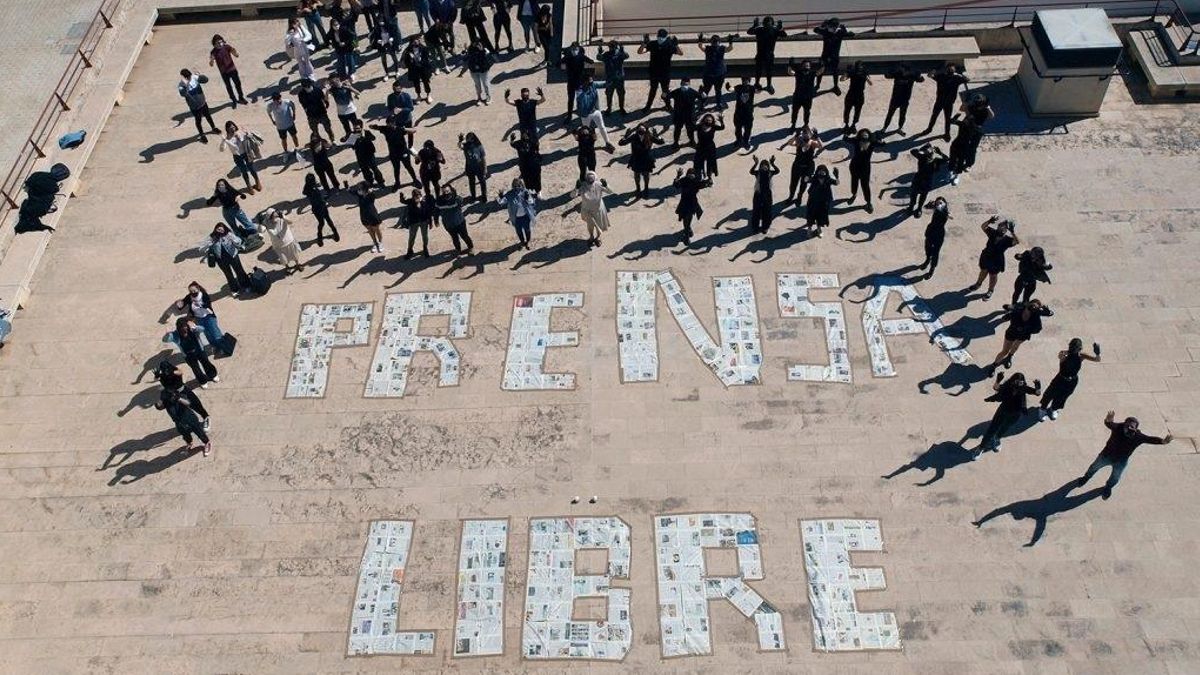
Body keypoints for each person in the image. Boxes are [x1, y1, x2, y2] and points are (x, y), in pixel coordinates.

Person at [1075, 412, 1173, 499]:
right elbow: (1109, 424)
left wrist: (1162, 441)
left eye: (1132, 429)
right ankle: (1086, 478)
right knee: (1094, 467)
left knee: (1115, 477)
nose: (1129, 432)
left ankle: (1108, 487)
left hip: (1121, 461)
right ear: (1124, 425)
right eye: (1127, 428)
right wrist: (1108, 420)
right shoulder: (1118, 428)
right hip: (1106, 456)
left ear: (1136, 429)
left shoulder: (1138, 436)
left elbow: (1150, 439)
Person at [976, 372, 1041, 455]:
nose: (1018, 384)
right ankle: (981, 448)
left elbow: (1037, 393)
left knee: (1006, 427)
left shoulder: (1023, 388)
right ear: (1012, 381)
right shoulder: (1007, 387)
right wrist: (998, 380)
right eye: (1017, 381)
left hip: (1016, 413)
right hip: (1003, 411)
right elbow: (996, 388)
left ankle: (997, 438)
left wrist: (1038, 386)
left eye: (1021, 382)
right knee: (992, 429)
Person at [1038, 339, 1101, 421]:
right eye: (1073, 347)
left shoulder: (1081, 356)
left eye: (1077, 348)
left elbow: (1097, 360)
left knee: (1063, 396)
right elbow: (1060, 356)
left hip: (1072, 381)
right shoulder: (1064, 354)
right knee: (1050, 393)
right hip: (1060, 378)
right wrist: (1065, 353)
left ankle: (1054, 408)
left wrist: (1097, 353)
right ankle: (1042, 409)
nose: (1075, 350)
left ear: (1080, 348)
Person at [989, 300, 1053, 372]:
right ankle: (994, 365)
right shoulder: (1018, 311)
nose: (1031, 309)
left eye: (1034, 308)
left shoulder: (1035, 316)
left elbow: (1038, 329)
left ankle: (1010, 356)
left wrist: (1028, 329)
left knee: (1016, 346)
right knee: (1005, 351)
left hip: (1023, 335)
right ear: (1028, 304)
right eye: (1031, 306)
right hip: (1012, 332)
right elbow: (1008, 314)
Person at [175, 282, 232, 356]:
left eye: (194, 291)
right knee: (208, 335)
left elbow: (207, 304)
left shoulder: (204, 295)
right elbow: (182, 304)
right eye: (191, 291)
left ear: (198, 289)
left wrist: (200, 304)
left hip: (208, 316)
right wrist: (179, 305)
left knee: (216, 334)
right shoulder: (189, 297)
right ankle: (217, 347)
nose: (192, 293)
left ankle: (226, 348)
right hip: (199, 318)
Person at [164, 316, 221, 390]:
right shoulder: (175, 335)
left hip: (199, 350)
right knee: (196, 369)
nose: (184, 329)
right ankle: (202, 381)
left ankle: (213, 375)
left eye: (185, 327)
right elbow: (165, 340)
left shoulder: (192, 329)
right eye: (182, 328)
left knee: (206, 363)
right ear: (178, 328)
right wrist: (167, 335)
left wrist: (194, 326)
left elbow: (202, 329)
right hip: (188, 355)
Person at [970, 215, 1019, 299]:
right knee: (983, 271)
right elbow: (983, 227)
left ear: (1006, 229)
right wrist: (989, 221)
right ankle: (978, 284)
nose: (1000, 227)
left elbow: (1016, 242)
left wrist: (1013, 232)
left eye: (1002, 226)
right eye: (999, 225)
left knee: (993, 275)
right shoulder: (993, 233)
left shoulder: (1007, 239)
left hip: (997, 259)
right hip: (986, 255)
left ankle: (990, 290)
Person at [155, 361, 211, 430]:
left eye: (166, 368)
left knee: (196, 405)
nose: (165, 370)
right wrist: (157, 376)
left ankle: (206, 418)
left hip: (183, 392)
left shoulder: (174, 371)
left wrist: (171, 372)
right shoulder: (162, 375)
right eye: (163, 369)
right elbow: (157, 379)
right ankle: (187, 424)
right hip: (173, 395)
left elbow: (180, 372)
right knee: (179, 412)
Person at [157, 387, 212, 456]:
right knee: (184, 433)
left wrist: (178, 398)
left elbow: (188, 403)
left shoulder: (178, 391)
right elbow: (160, 407)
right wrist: (159, 403)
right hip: (177, 420)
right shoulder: (164, 394)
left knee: (198, 431)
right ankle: (189, 443)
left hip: (189, 417)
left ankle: (206, 443)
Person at [566, 170, 613, 246]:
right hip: (587, 211)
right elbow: (572, 196)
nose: (590, 181)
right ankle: (591, 236)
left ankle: (597, 238)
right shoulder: (582, 186)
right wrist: (576, 188)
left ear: (595, 178)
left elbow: (610, 192)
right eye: (589, 179)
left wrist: (606, 185)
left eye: (592, 179)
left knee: (599, 225)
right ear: (586, 179)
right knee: (590, 225)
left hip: (599, 210)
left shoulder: (599, 185)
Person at [638, 29, 682, 111]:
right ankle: (648, 106)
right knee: (653, 90)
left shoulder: (670, 45)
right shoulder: (652, 44)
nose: (660, 38)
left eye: (662, 37)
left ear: (666, 37)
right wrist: (644, 44)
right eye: (659, 36)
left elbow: (680, 53)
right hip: (654, 72)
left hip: (665, 73)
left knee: (665, 90)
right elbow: (640, 52)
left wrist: (676, 45)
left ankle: (668, 105)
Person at [369, 115, 418, 188]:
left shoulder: (399, 129)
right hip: (393, 153)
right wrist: (374, 126)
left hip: (403, 152)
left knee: (408, 166)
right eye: (388, 123)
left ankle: (415, 180)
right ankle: (397, 183)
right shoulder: (385, 129)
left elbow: (414, 130)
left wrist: (403, 129)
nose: (389, 125)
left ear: (394, 123)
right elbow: (372, 127)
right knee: (396, 169)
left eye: (391, 123)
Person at [923, 63, 969, 140]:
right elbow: (967, 80)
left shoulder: (943, 76)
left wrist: (935, 70)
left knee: (939, 117)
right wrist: (961, 74)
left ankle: (939, 131)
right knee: (940, 117)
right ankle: (939, 131)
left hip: (944, 102)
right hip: (944, 102)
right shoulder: (955, 78)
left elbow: (929, 75)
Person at [204, 224, 252, 296]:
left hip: (233, 256)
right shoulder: (212, 237)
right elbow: (205, 246)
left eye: (221, 229)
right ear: (215, 229)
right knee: (228, 275)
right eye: (218, 229)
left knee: (240, 271)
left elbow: (238, 241)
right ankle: (234, 289)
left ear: (224, 229)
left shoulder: (229, 234)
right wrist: (209, 246)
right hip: (220, 259)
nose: (220, 231)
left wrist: (233, 239)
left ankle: (246, 286)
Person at [619, 123, 664, 198]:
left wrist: (657, 136)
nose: (641, 131)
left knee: (646, 176)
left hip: (646, 159)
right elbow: (621, 143)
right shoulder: (634, 136)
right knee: (637, 175)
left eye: (643, 130)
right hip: (636, 159)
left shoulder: (649, 136)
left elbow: (661, 142)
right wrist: (625, 136)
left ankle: (646, 189)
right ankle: (638, 189)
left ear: (646, 130)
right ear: (637, 130)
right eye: (639, 130)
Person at [779, 124, 822, 205]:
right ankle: (791, 197)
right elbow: (790, 143)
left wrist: (817, 137)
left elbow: (820, 147)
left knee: (804, 183)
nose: (805, 134)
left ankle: (799, 196)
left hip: (808, 167)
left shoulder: (812, 142)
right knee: (793, 183)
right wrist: (795, 136)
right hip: (797, 165)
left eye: (807, 132)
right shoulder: (799, 140)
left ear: (810, 134)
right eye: (804, 132)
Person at [846, 128, 883, 213]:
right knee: (854, 182)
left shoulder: (872, 143)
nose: (864, 142)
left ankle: (868, 202)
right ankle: (854, 194)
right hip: (854, 166)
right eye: (862, 139)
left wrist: (881, 140)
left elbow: (882, 144)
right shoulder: (856, 141)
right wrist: (846, 135)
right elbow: (846, 139)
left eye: (865, 139)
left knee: (865, 186)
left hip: (865, 169)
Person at [219, 121, 263, 192]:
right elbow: (221, 149)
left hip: (246, 154)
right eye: (230, 128)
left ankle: (258, 183)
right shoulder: (227, 138)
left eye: (233, 127)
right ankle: (249, 187)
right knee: (244, 171)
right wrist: (223, 141)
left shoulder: (239, 132)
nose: (233, 129)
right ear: (227, 129)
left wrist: (244, 135)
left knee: (251, 169)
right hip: (237, 157)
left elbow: (247, 138)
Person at [256, 208, 304, 272]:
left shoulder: (281, 217)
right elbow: (261, 230)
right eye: (274, 213)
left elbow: (290, 222)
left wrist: (284, 218)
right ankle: (287, 267)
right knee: (283, 259)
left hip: (289, 240)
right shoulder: (266, 222)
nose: (276, 213)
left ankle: (297, 264)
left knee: (294, 254)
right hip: (278, 245)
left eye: (275, 212)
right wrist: (260, 224)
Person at [177, 69, 218, 143]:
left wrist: (200, 76)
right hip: (195, 107)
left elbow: (206, 80)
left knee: (208, 115)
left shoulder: (194, 78)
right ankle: (202, 135)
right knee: (198, 120)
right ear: (183, 77)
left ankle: (213, 128)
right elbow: (183, 94)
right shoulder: (181, 85)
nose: (189, 78)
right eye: (187, 77)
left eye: (189, 76)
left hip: (203, 102)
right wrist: (186, 85)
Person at [813, 17, 853, 94]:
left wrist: (843, 29)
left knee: (835, 72)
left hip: (834, 57)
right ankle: (817, 85)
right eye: (832, 27)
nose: (833, 29)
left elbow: (851, 34)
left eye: (835, 27)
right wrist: (823, 26)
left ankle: (835, 86)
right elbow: (815, 30)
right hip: (825, 56)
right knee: (821, 71)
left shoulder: (840, 32)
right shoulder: (825, 31)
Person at [574, 73, 615, 149]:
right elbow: (582, 100)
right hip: (585, 114)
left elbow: (603, 85)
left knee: (602, 127)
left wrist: (611, 80)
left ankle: (607, 142)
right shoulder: (579, 91)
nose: (591, 82)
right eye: (590, 81)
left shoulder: (593, 85)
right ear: (584, 82)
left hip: (595, 111)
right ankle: (584, 144)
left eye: (591, 80)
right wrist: (586, 91)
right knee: (586, 131)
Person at [747, 16, 786, 93]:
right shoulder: (773, 30)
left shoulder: (760, 29)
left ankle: (759, 84)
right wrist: (780, 28)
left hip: (763, 54)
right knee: (765, 71)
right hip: (766, 54)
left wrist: (754, 26)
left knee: (762, 71)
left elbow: (749, 32)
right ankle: (766, 84)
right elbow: (784, 34)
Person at [673, 167, 712, 243]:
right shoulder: (696, 181)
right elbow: (706, 184)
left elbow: (676, 184)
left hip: (685, 202)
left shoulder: (684, 180)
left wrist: (678, 176)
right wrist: (709, 179)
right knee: (688, 218)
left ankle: (687, 234)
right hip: (692, 203)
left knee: (685, 219)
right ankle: (687, 233)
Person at [882, 64, 924, 134]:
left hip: (905, 100)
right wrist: (892, 70)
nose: (903, 72)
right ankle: (884, 127)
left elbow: (921, 79)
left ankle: (900, 128)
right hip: (895, 99)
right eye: (901, 70)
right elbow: (886, 75)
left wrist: (918, 75)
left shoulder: (912, 76)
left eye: (904, 70)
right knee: (890, 114)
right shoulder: (897, 74)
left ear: (908, 70)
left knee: (902, 115)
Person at [498, 178, 538, 249]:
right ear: (513, 186)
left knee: (527, 229)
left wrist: (528, 198)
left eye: (518, 185)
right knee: (519, 231)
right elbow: (502, 202)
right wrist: (501, 197)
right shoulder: (510, 194)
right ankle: (522, 242)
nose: (517, 187)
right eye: (515, 185)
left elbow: (532, 202)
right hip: (516, 217)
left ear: (521, 185)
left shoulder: (525, 192)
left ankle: (528, 242)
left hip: (525, 216)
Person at [208, 35, 248, 106]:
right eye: (218, 43)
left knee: (237, 84)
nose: (220, 44)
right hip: (224, 72)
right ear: (214, 44)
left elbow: (236, 55)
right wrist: (211, 60)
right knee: (228, 86)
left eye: (221, 42)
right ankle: (233, 100)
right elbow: (211, 64)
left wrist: (234, 52)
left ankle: (241, 98)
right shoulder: (213, 52)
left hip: (232, 69)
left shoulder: (226, 47)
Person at [907, 143, 947, 215]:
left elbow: (946, 159)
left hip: (926, 181)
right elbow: (912, 151)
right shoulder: (922, 157)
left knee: (922, 196)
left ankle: (919, 209)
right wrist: (922, 152)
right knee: (914, 195)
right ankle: (911, 207)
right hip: (918, 180)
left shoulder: (936, 161)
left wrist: (940, 153)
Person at [698, 33, 734, 110]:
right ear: (719, 42)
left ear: (711, 42)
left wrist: (700, 39)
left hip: (708, 73)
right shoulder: (721, 48)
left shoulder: (708, 48)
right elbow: (730, 48)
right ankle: (718, 103)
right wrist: (730, 41)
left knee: (706, 90)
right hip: (719, 73)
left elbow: (700, 46)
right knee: (718, 90)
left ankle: (703, 102)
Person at [302, 173, 340, 245]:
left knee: (321, 223)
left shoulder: (307, 189)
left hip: (315, 208)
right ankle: (335, 233)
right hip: (321, 206)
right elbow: (320, 198)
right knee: (328, 220)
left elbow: (304, 192)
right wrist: (326, 197)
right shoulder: (314, 189)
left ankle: (319, 237)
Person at [435, 185, 474, 253]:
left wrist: (455, 195)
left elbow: (461, 201)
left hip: (459, 222)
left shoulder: (456, 199)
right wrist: (436, 221)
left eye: (447, 191)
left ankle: (470, 248)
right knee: (455, 238)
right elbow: (436, 211)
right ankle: (458, 250)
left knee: (465, 236)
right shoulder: (439, 201)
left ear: (451, 191)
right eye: (444, 192)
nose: (446, 193)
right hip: (448, 224)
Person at [665, 77, 703, 147]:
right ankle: (690, 142)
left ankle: (679, 143)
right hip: (687, 115)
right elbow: (702, 98)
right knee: (686, 130)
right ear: (689, 84)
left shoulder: (676, 91)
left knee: (681, 130)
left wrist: (669, 106)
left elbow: (666, 97)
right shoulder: (693, 92)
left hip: (681, 115)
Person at [346, 120, 385, 187]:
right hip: (360, 155)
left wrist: (364, 137)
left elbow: (373, 138)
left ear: (361, 128)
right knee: (365, 171)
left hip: (369, 154)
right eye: (354, 128)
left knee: (375, 169)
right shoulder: (352, 134)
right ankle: (370, 182)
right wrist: (351, 139)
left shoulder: (366, 132)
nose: (356, 130)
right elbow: (348, 143)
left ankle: (380, 182)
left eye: (357, 128)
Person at [560, 41, 593, 119]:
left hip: (576, 81)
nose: (574, 50)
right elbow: (591, 61)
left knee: (576, 98)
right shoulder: (577, 56)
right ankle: (572, 114)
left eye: (575, 48)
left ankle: (571, 114)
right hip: (575, 82)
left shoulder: (570, 56)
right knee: (573, 99)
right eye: (573, 48)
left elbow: (558, 63)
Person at [726, 77, 762, 150]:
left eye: (747, 80)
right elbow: (731, 89)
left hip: (748, 114)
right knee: (738, 129)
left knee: (748, 130)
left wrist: (760, 88)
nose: (745, 82)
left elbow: (758, 91)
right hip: (738, 114)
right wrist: (728, 87)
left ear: (749, 81)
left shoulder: (752, 88)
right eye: (744, 80)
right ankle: (739, 141)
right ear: (742, 81)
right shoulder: (739, 87)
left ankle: (746, 142)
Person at [748, 155, 780, 233]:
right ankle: (755, 227)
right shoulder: (757, 173)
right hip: (758, 194)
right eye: (762, 165)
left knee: (767, 211)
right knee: (756, 212)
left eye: (766, 165)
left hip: (767, 195)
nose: (764, 166)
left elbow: (777, 171)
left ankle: (765, 227)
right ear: (760, 166)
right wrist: (755, 163)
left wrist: (772, 163)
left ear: (768, 166)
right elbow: (751, 171)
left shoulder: (770, 173)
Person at [400, 188, 435, 257]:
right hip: (413, 223)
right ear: (413, 196)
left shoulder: (424, 202)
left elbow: (428, 213)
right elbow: (403, 201)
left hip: (424, 222)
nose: (417, 198)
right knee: (412, 237)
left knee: (425, 236)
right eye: (415, 196)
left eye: (418, 196)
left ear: (420, 196)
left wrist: (430, 222)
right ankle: (410, 250)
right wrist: (401, 197)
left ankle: (425, 248)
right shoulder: (410, 201)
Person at [920, 197, 950, 278]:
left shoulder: (945, 211)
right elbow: (925, 208)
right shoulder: (936, 208)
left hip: (939, 234)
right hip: (931, 231)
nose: (938, 204)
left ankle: (932, 269)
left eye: (941, 202)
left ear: (944, 204)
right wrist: (930, 204)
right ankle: (927, 260)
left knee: (935, 253)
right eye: (937, 202)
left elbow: (942, 211)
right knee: (927, 248)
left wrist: (937, 206)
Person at [786, 59, 821, 129]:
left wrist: (823, 65)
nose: (806, 66)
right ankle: (793, 125)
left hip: (808, 97)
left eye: (807, 65)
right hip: (798, 96)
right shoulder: (798, 73)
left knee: (807, 112)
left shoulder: (812, 73)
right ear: (802, 66)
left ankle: (806, 124)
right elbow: (790, 72)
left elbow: (819, 72)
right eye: (805, 65)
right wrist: (790, 65)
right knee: (795, 112)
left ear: (810, 67)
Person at [459, 40, 497, 105]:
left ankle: (488, 97)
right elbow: (465, 59)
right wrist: (465, 50)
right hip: (474, 71)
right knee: (477, 85)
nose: (476, 45)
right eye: (474, 43)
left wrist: (482, 50)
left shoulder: (485, 50)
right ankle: (479, 98)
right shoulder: (470, 50)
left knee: (486, 84)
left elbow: (487, 58)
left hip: (483, 70)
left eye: (478, 43)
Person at [805, 165, 839, 236]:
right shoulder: (814, 179)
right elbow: (806, 180)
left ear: (826, 172)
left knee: (821, 216)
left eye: (823, 172)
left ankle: (819, 228)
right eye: (820, 172)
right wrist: (807, 174)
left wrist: (837, 177)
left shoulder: (828, 180)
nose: (821, 173)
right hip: (813, 201)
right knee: (811, 215)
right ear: (817, 172)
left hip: (823, 202)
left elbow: (837, 183)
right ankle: (809, 229)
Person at [597, 41, 629, 115]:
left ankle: (621, 108)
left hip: (619, 78)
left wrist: (623, 51)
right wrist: (599, 52)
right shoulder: (606, 55)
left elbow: (627, 56)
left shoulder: (619, 54)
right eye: (611, 47)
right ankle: (609, 108)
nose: (612, 49)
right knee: (609, 94)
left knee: (621, 94)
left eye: (613, 47)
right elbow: (598, 58)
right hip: (610, 78)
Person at [369, 9, 402, 80]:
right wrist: (379, 41)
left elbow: (395, 33)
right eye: (379, 20)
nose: (381, 22)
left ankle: (397, 71)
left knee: (394, 57)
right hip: (382, 45)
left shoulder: (389, 25)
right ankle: (386, 73)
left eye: (382, 20)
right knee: (383, 59)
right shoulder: (376, 28)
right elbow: (374, 37)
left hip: (390, 44)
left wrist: (392, 38)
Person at [266, 92, 301, 158]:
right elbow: (268, 113)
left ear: (280, 97)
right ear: (273, 100)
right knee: (283, 139)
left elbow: (293, 106)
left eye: (279, 99)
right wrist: (272, 120)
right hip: (280, 127)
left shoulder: (287, 102)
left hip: (290, 124)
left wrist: (294, 114)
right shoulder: (270, 105)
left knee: (294, 136)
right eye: (276, 100)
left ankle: (297, 148)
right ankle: (285, 152)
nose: (278, 101)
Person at [354, 182, 386, 253]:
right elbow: (352, 192)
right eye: (358, 188)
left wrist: (370, 192)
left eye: (360, 188)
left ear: (365, 189)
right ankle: (375, 242)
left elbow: (373, 196)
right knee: (370, 230)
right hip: (364, 216)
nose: (358, 190)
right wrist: (347, 187)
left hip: (373, 216)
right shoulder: (360, 195)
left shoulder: (370, 196)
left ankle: (380, 243)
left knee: (377, 230)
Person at [402, 35, 435, 102]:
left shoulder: (424, 48)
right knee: (416, 83)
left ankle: (428, 95)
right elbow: (406, 61)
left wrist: (421, 60)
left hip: (423, 68)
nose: (416, 42)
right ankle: (418, 96)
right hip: (414, 69)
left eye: (417, 40)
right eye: (414, 41)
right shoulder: (408, 50)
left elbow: (427, 59)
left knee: (426, 82)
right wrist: (411, 61)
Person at [840, 61, 871, 132]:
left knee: (856, 112)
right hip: (852, 94)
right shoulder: (853, 72)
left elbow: (870, 83)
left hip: (858, 95)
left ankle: (853, 125)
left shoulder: (863, 73)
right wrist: (846, 73)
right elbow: (842, 79)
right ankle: (847, 125)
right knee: (848, 111)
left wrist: (866, 77)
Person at [693, 113, 725, 180]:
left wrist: (721, 121)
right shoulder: (699, 126)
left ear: (712, 121)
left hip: (710, 147)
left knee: (710, 163)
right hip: (700, 147)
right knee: (699, 161)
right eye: (707, 120)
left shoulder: (713, 127)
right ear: (704, 119)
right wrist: (695, 120)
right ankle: (701, 175)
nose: (708, 121)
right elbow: (692, 127)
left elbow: (722, 128)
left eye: (710, 120)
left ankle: (709, 177)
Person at [458, 132, 489, 201]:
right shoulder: (466, 145)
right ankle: (473, 196)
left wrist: (485, 169)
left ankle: (484, 196)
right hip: (470, 167)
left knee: (482, 182)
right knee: (471, 182)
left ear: (473, 139)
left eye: (469, 139)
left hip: (479, 167)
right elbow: (459, 146)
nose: (468, 140)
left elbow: (483, 158)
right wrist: (460, 141)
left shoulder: (479, 146)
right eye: (467, 139)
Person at [329, 75, 362, 140]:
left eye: (333, 81)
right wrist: (327, 92)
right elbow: (326, 99)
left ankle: (358, 138)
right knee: (346, 127)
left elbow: (358, 93)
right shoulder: (332, 89)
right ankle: (350, 138)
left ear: (338, 79)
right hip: (341, 113)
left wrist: (350, 87)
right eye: (331, 82)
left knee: (356, 126)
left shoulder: (346, 86)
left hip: (351, 111)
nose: (332, 83)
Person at [285, 18, 317, 82]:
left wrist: (303, 40)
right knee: (300, 63)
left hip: (304, 47)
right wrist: (290, 35)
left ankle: (311, 75)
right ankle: (303, 76)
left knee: (307, 62)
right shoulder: (289, 32)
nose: (296, 24)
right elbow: (287, 42)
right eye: (294, 23)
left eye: (297, 22)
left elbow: (309, 35)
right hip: (296, 49)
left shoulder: (301, 28)